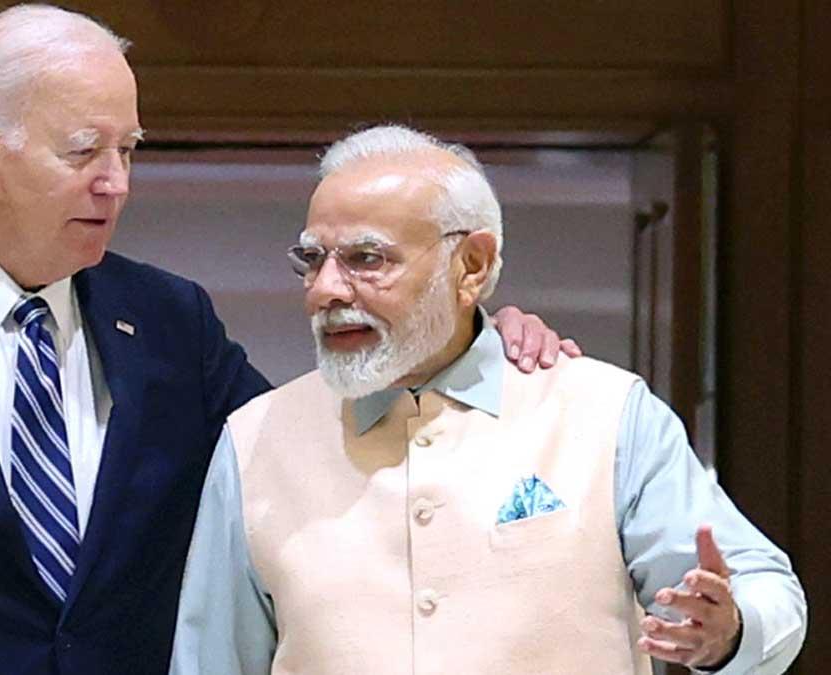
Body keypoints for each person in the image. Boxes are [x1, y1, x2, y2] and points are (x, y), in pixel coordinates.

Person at [0, 8, 571, 675]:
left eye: (129, 149)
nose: (117, 183)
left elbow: (324, 450)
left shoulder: (169, 323)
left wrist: (466, 339)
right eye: (85, 152)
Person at [169, 125, 807, 675]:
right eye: (312, 260)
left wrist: (729, 633)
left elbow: (766, 589)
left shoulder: (604, 412)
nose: (326, 289)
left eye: (366, 258)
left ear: (472, 265)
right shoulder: (255, 440)